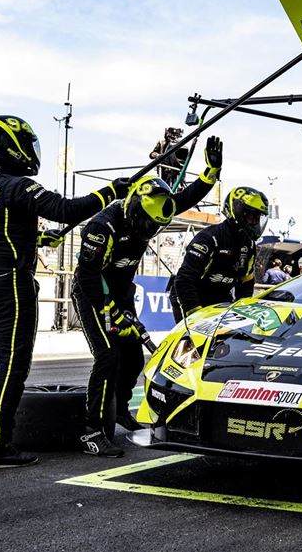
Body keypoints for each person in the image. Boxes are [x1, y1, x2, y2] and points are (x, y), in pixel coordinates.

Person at [0, 115, 132, 469]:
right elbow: (66, 210)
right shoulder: (19, 185)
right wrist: (111, 191)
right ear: (14, 145)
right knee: (12, 365)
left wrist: (38, 238)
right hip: (10, 285)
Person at [71, 137, 223, 457]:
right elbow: (87, 276)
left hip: (122, 294)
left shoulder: (150, 213)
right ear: (132, 207)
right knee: (107, 356)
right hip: (92, 293)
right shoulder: (103, 226)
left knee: (132, 357)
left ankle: (121, 408)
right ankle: (91, 430)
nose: (148, 230)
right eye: (145, 223)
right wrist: (111, 309)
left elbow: (184, 197)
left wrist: (211, 172)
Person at [169, 186, 270, 323]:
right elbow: (183, 280)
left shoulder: (249, 245)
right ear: (238, 212)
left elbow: (246, 282)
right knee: (193, 340)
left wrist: (242, 313)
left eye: (258, 218)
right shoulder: (210, 238)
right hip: (190, 294)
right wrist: (196, 315)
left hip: (220, 296)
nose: (255, 222)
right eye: (252, 216)